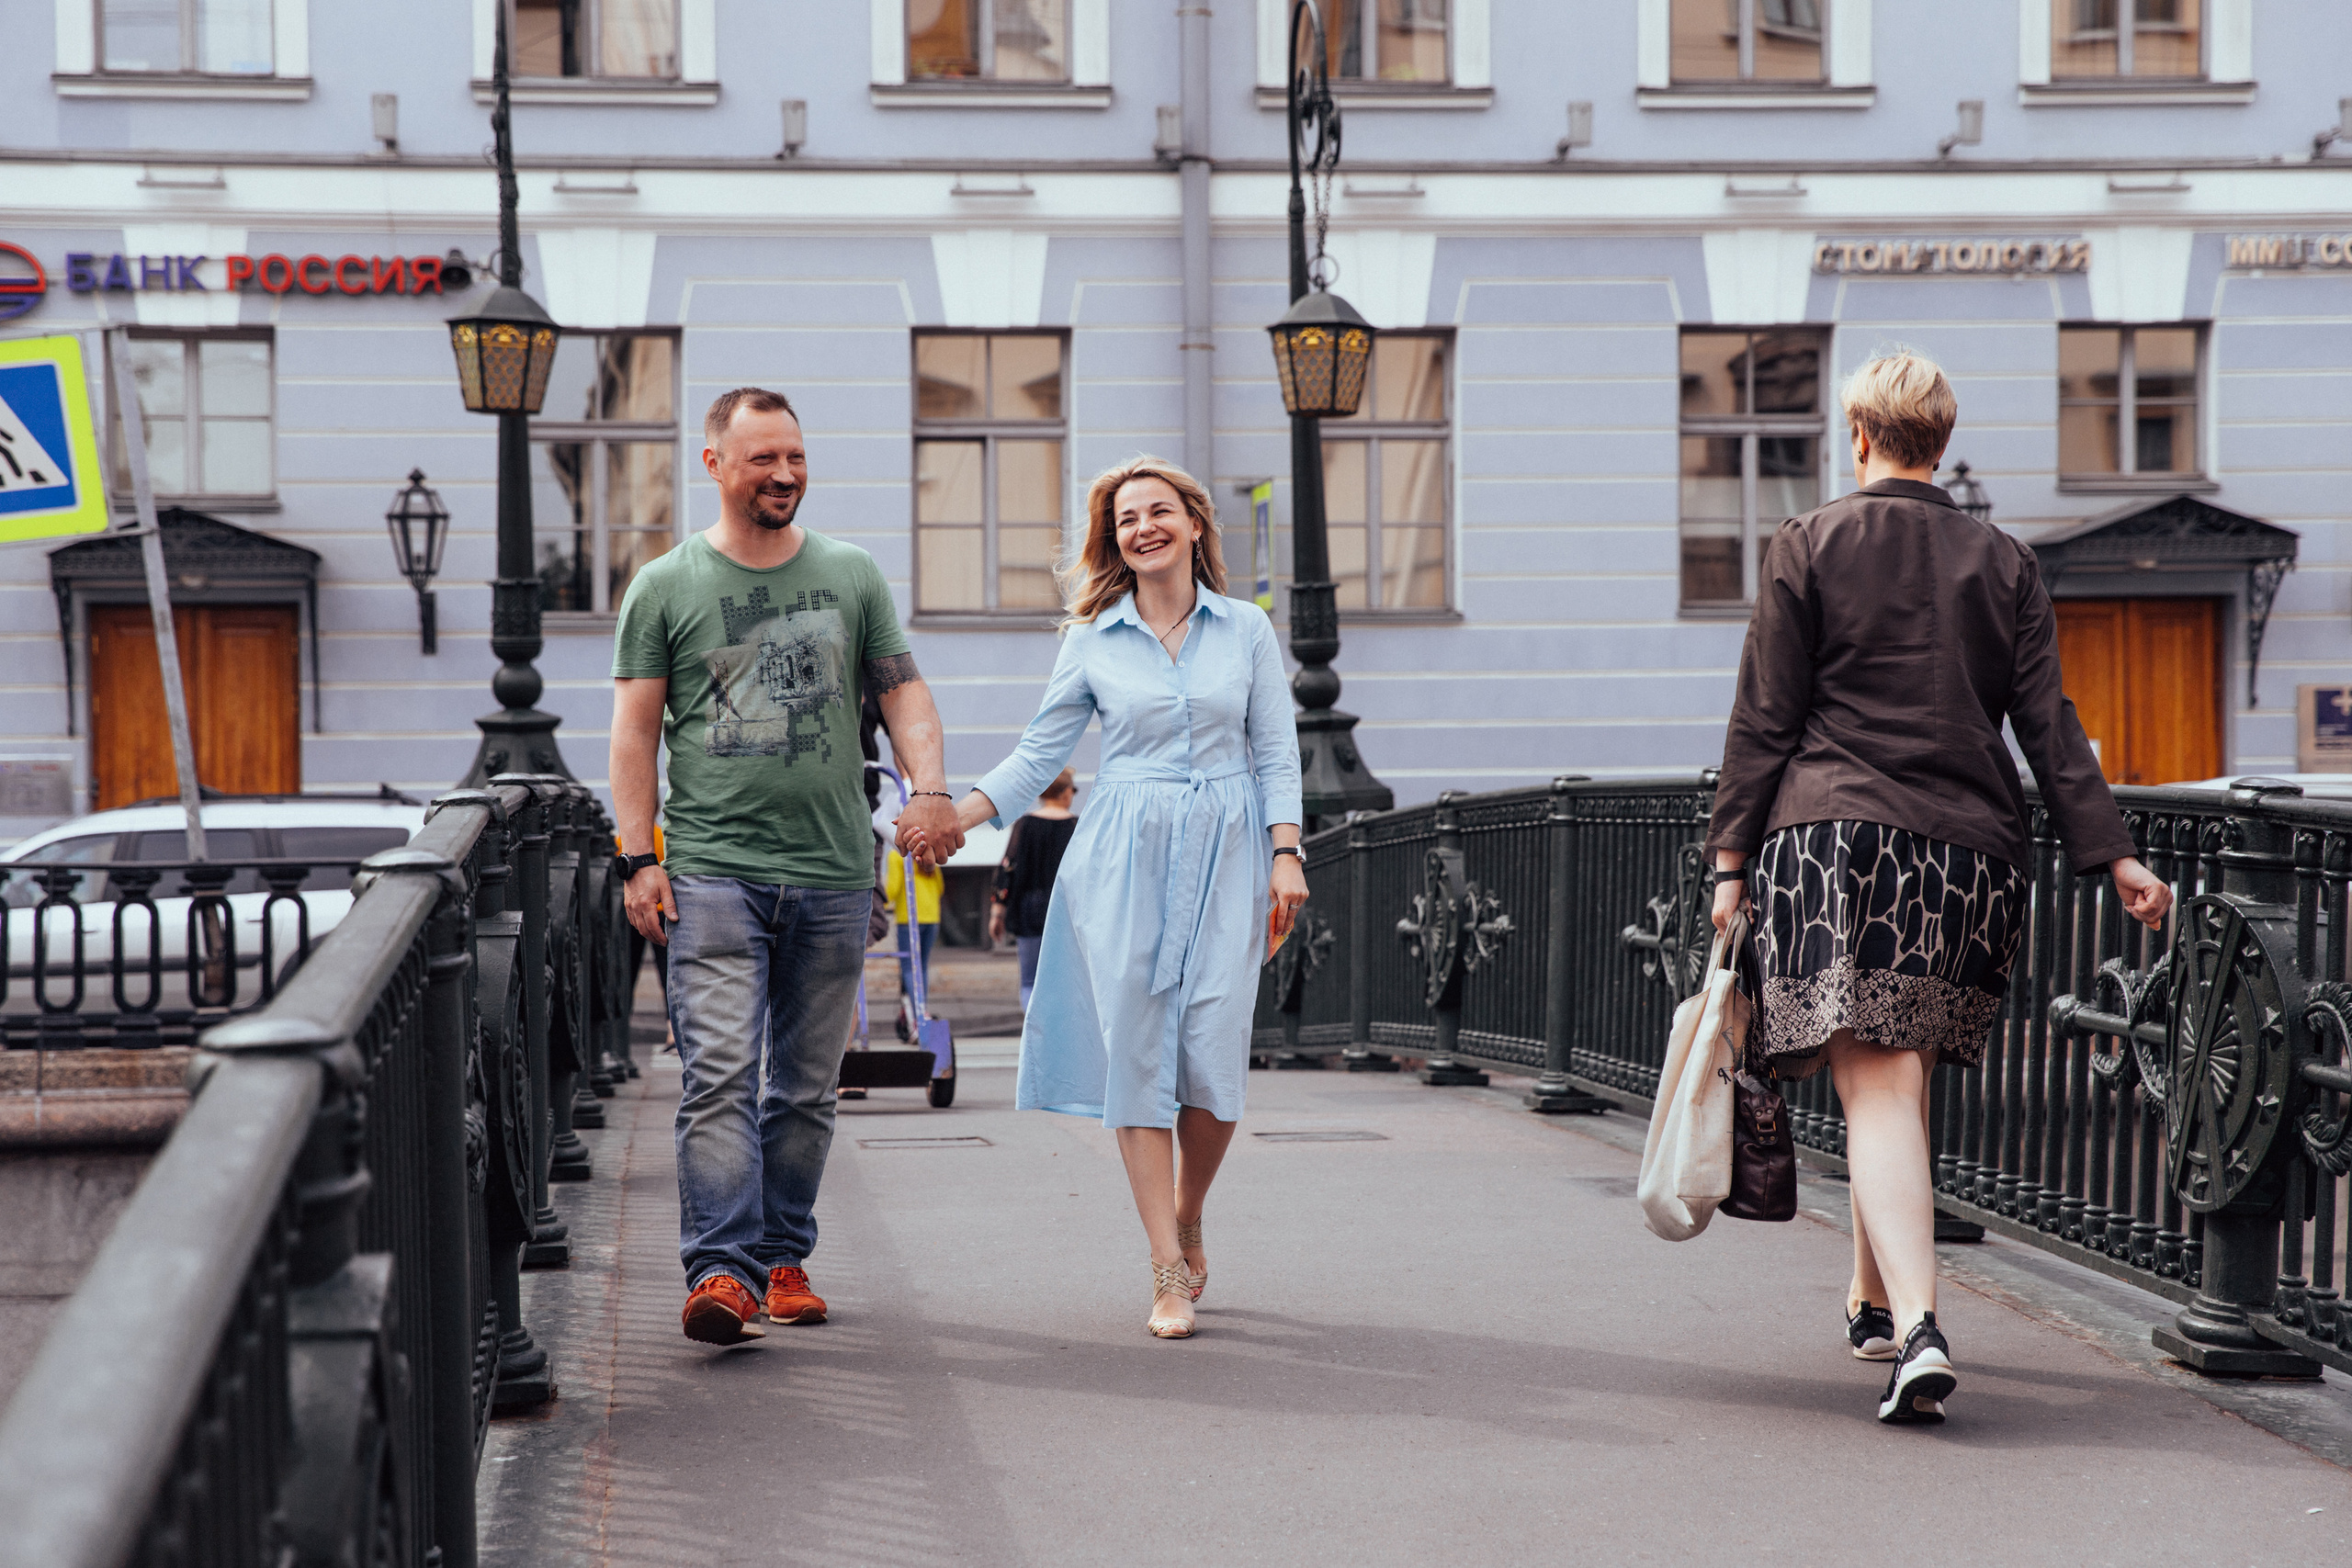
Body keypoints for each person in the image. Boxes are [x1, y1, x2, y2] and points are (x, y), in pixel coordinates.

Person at [1705, 350, 2172, 1424]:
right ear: (1941, 443)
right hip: (1966, 856)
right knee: (1896, 1072)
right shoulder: (2004, 561)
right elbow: (2047, 726)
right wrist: (2114, 856)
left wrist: (1729, 862)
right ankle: (1870, 1300)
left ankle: (1918, 1326)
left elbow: (1764, 718)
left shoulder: (1806, 542)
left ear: (1858, 436)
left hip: (1835, 845)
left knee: (1874, 1081)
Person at [902, 457, 1306, 1339]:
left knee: (1214, 1060)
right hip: (1124, 856)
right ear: (1114, 540)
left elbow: (1277, 750)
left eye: (1160, 511)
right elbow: (1038, 754)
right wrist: (954, 817)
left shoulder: (1244, 628)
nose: (1144, 527)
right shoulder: (1091, 638)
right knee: (1138, 1055)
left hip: (1230, 850)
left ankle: (1189, 1211)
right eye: (1127, 519)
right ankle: (1165, 1267)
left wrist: (1287, 852)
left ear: (1194, 524)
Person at [610, 386, 965, 1347]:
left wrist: (931, 787)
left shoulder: (850, 573)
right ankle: (721, 1272)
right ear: (715, 464)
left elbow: (904, 694)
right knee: (719, 1077)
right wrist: (638, 856)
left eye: (795, 456)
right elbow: (634, 733)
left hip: (833, 871)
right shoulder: (665, 585)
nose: (784, 473)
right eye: (763, 457)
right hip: (713, 870)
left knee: (805, 1087)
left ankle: (779, 1259)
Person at [989, 767, 1080, 1011]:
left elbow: (1008, 868)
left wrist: (997, 913)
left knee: (1030, 981)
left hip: (1029, 908)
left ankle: (1033, 1029)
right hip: (1068, 911)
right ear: (1065, 792)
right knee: (1066, 982)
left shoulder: (1026, 824)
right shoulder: (1077, 826)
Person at [883, 841, 943, 1031]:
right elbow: (940, 887)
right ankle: (923, 1012)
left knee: (909, 967)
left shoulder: (896, 855)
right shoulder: (928, 850)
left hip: (908, 918)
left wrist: (879, 904)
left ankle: (918, 1016)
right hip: (932, 916)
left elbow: (893, 889)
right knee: (922, 966)